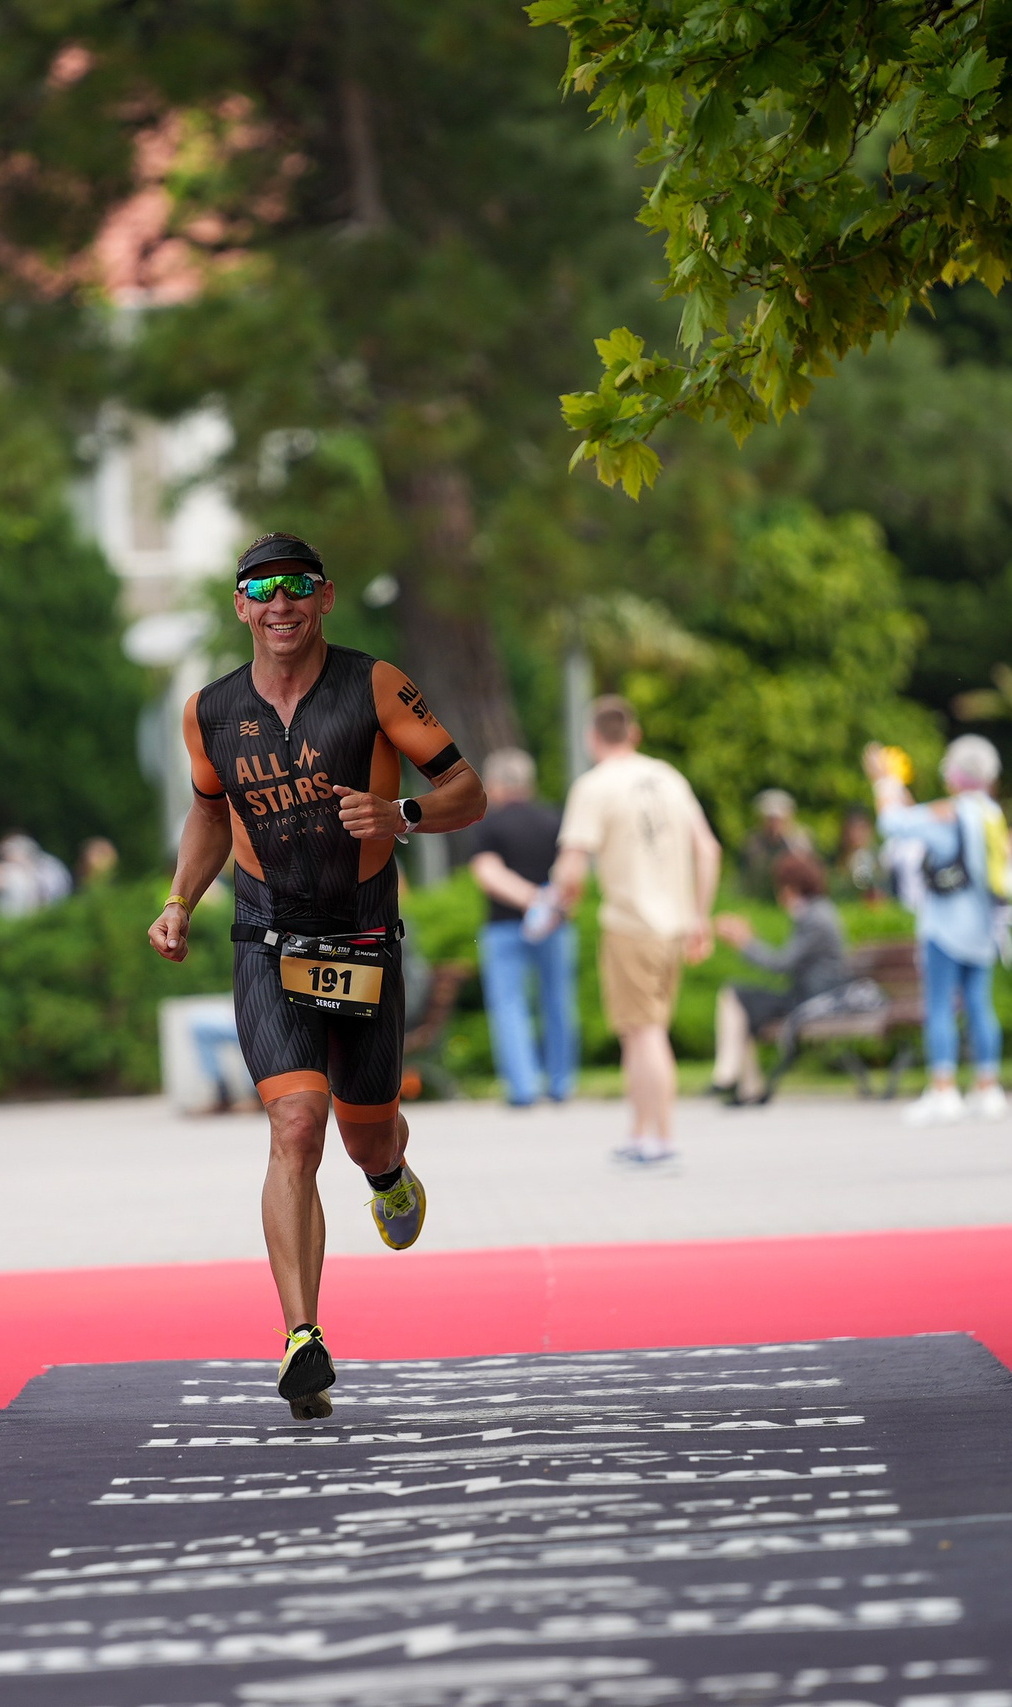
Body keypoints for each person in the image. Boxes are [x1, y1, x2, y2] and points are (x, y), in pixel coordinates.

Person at [147, 533, 483, 1419]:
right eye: (262, 590)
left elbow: (469, 791)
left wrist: (401, 811)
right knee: (296, 1125)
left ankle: (389, 1174)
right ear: (241, 607)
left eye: (296, 587)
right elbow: (210, 815)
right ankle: (303, 1337)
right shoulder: (210, 710)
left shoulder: (373, 685)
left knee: (363, 1135)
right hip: (267, 939)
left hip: (364, 938)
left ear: (324, 598)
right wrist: (180, 898)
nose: (280, 603)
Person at [551, 697, 720, 1166]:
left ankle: (663, 1139)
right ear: (635, 733)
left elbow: (571, 867)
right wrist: (700, 915)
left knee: (645, 1032)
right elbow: (707, 849)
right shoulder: (669, 777)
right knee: (637, 1030)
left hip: (631, 922)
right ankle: (640, 1130)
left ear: (592, 737)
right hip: (674, 924)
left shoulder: (594, 786)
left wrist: (559, 904)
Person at [870, 736, 1012, 1125]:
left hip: (946, 926)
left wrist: (885, 782)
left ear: (955, 775)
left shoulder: (951, 812)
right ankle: (988, 1088)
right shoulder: (991, 814)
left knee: (939, 1005)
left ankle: (943, 1088)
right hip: (985, 926)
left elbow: (893, 823)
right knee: (979, 1005)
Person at [466, 747, 577, 1107]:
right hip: (555, 927)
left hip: (503, 927)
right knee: (558, 1001)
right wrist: (550, 902)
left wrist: (529, 898)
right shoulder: (554, 819)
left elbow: (488, 873)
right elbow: (573, 872)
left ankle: (523, 1088)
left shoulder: (490, 825)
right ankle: (561, 1083)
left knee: (510, 1005)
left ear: (496, 785)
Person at [709, 853, 851, 1105]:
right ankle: (746, 1084)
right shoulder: (817, 912)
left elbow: (781, 963)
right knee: (740, 1000)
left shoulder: (815, 918)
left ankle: (727, 1074)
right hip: (811, 995)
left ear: (790, 887)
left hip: (813, 1000)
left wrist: (744, 941)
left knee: (736, 996)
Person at [739, 788, 816, 897]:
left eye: (778, 819)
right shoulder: (753, 842)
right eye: (770, 819)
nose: (774, 823)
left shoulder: (801, 840)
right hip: (759, 896)